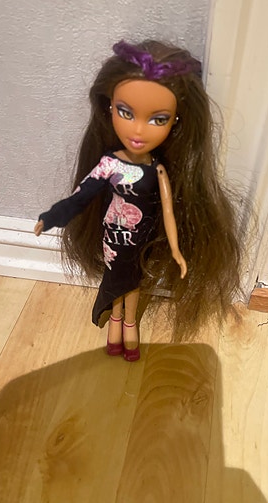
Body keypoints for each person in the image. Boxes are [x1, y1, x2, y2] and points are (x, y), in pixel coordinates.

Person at [34, 39, 243, 360]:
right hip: (112, 240)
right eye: (125, 112)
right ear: (109, 107)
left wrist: (176, 250)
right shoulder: (109, 164)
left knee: (133, 285)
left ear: (176, 121)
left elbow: (169, 212)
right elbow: (81, 196)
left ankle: (128, 325)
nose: (139, 130)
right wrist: (50, 217)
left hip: (138, 242)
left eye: (158, 119)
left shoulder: (158, 171)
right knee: (116, 284)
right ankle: (116, 322)